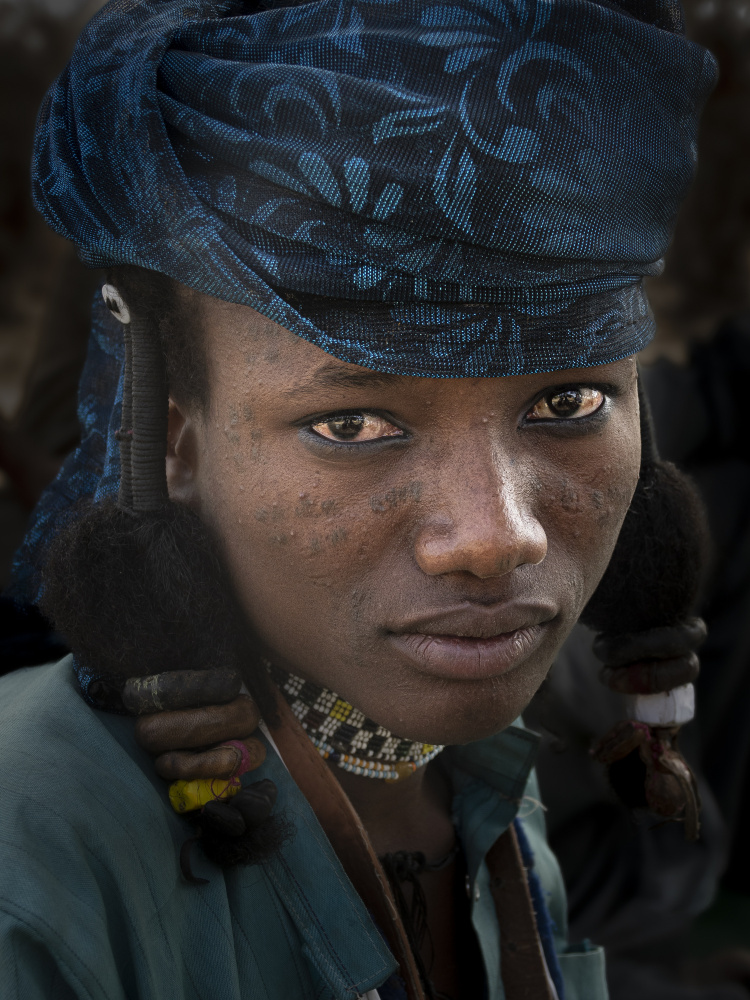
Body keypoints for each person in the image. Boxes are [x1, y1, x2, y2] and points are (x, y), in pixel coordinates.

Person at [0, 0, 716, 997]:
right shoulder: (32, 855)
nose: (495, 535)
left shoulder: (490, 799)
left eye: (568, 399)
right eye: (354, 424)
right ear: (173, 436)